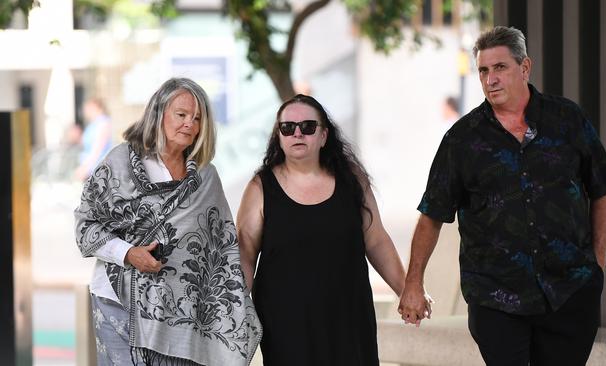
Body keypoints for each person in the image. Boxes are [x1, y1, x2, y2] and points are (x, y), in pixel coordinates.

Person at [399, 26, 606, 366]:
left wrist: (596, 269)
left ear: (525, 68)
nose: (491, 79)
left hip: (569, 293)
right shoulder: (462, 140)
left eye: (500, 67)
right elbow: (432, 214)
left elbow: (601, 192)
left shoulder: (567, 120)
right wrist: (413, 282)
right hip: (496, 300)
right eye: (483, 71)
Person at [74, 78, 261, 366]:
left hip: (182, 317)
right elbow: (86, 227)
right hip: (119, 304)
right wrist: (128, 254)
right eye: (182, 115)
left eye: (197, 118)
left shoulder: (204, 177)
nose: (190, 124)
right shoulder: (120, 161)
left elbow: (220, 247)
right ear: (159, 114)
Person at [237, 94, 407, 365]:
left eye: (307, 127)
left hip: (349, 315)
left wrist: (406, 290)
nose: (297, 133)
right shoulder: (260, 187)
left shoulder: (352, 179)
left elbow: (376, 239)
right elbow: (245, 253)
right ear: (278, 135)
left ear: (324, 135)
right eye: (287, 127)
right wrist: (234, 308)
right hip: (286, 322)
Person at [75, 98, 113, 180]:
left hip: (98, 171)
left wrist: (84, 168)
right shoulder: (93, 124)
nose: (85, 111)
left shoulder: (103, 123)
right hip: (91, 170)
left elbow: (97, 149)